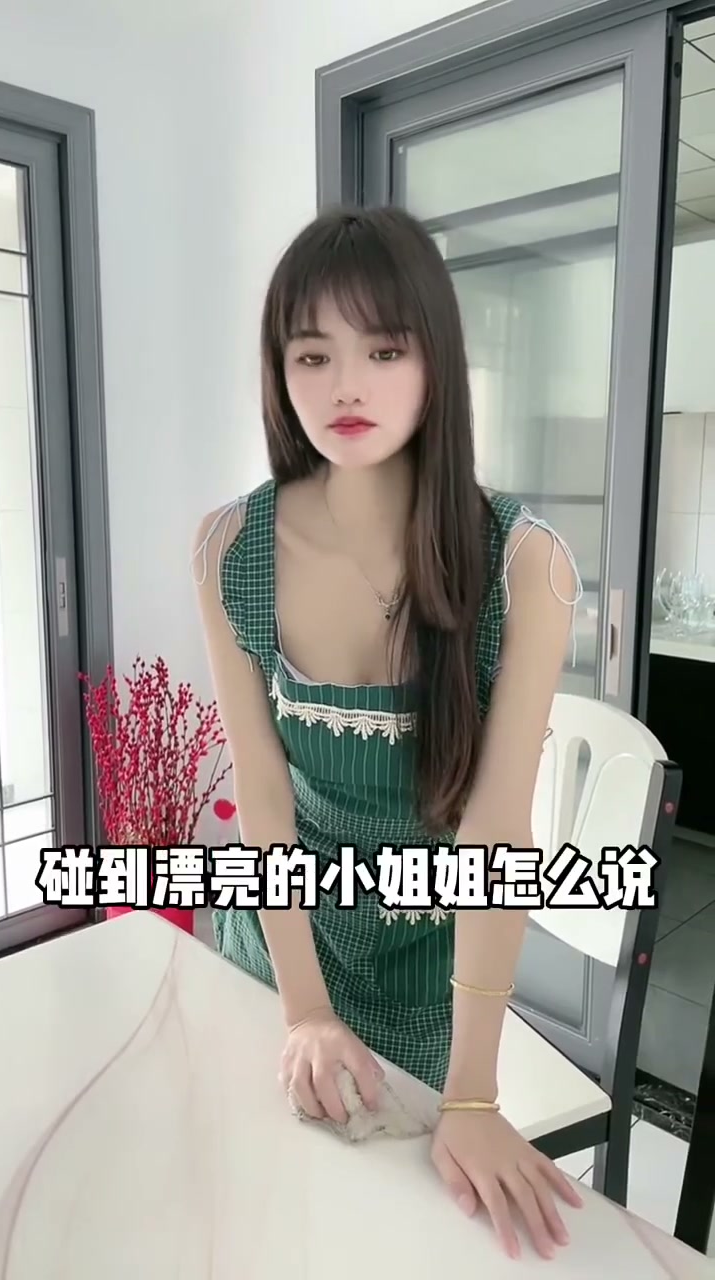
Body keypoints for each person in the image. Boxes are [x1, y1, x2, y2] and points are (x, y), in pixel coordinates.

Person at [192, 204, 584, 1261]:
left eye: (383, 348)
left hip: (429, 977)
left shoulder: (525, 566)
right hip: (277, 956)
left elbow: (495, 835)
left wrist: (474, 1094)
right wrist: (304, 1014)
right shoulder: (231, 549)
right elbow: (262, 798)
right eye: (312, 354)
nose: (345, 386)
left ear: (435, 359)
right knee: (248, 1232)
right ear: (279, 372)